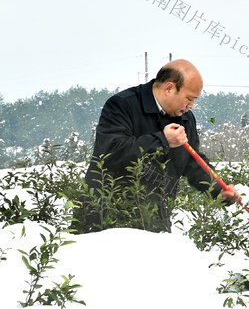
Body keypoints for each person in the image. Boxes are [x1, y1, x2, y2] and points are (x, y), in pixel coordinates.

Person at [72, 59, 240, 233]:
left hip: (154, 221)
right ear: (169, 88)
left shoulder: (185, 118)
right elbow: (111, 152)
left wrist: (219, 190)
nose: (191, 106)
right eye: (189, 99)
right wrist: (162, 141)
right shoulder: (122, 105)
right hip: (105, 218)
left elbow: (192, 161)